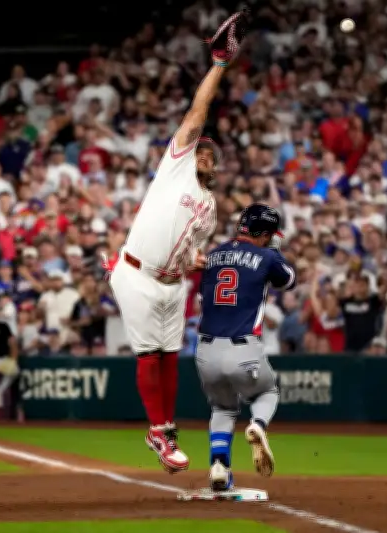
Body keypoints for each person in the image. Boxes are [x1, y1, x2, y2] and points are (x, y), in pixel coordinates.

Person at [102, 12, 250, 474]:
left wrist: (197, 260)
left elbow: (191, 255)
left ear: (217, 167)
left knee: (169, 359)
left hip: (170, 283)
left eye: (209, 153)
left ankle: (164, 430)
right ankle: (158, 431)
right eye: (199, 148)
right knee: (150, 356)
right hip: (137, 272)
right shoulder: (177, 165)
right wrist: (220, 67)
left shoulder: (211, 208)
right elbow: (197, 113)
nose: (202, 153)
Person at [196, 203, 296, 492]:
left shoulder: (213, 255)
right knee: (268, 391)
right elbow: (288, 281)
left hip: (205, 350)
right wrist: (274, 250)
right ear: (265, 233)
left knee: (223, 408)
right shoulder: (266, 256)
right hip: (243, 347)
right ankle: (258, 425)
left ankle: (219, 466)